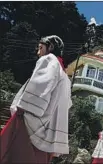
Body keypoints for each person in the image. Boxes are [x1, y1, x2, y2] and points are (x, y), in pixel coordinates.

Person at [0, 35, 72, 163]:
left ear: (50, 47)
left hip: (30, 120)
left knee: (9, 154)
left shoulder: (49, 60)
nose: (38, 52)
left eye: (40, 48)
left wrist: (22, 109)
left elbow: (39, 86)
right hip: (48, 131)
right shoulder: (65, 76)